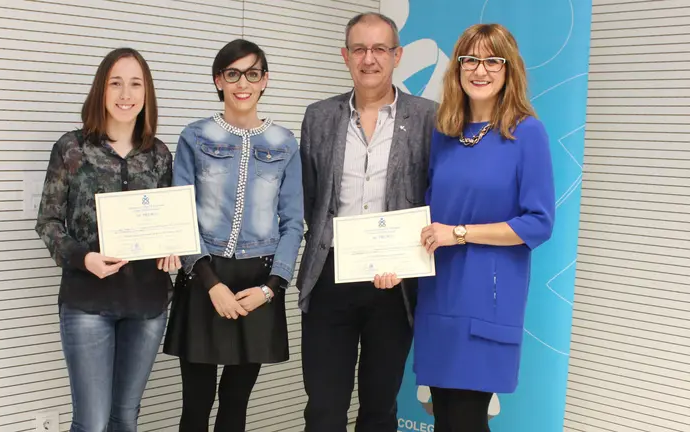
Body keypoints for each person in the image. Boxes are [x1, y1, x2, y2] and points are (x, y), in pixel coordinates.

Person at [297, 12, 438, 432]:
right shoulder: (319, 117)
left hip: (396, 285)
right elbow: (311, 198)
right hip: (330, 278)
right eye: (359, 49)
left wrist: (406, 258)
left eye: (379, 49)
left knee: (379, 408)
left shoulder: (429, 117)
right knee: (323, 408)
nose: (369, 58)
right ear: (345, 56)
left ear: (396, 55)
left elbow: (434, 192)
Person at [415, 23, 555, 431]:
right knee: (446, 416)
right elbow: (425, 211)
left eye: (493, 60)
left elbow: (538, 222)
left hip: (487, 299)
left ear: (509, 69)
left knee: (465, 419)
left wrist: (458, 232)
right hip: (438, 294)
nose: (481, 70)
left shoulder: (526, 132)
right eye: (470, 59)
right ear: (457, 68)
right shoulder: (445, 133)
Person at [162, 39, 304, 432]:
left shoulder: (284, 142)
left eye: (252, 74)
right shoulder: (194, 137)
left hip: (259, 282)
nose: (243, 83)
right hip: (203, 278)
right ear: (218, 81)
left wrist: (272, 287)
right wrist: (209, 283)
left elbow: (294, 222)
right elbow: (181, 215)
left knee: (237, 401)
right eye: (233, 74)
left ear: (265, 81)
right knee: (196, 401)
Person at [35, 47, 173, 431]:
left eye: (135, 84)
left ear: (146, 94)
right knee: (93, 422)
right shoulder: (72, 148)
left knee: (124, 418)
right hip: (87, 303)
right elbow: (47, 222)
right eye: (116, 83)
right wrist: (85, 258)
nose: (125, 94)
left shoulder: (159, 156)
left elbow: (165, 223)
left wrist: (172, 248)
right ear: (101, 90)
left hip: (147, 304)